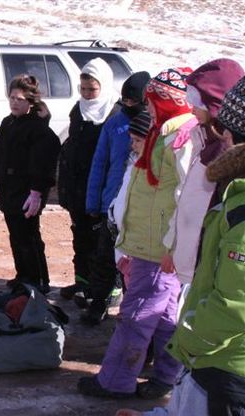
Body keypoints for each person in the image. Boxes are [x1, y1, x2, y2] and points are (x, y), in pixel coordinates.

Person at [116, 75, 245, 416]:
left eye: (231, 133)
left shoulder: (241, 208)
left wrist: (189, 343)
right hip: (217, 363)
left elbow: (235, 302)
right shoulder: (233, 189)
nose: (224, 137)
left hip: (228, 366)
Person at [78, 67, 196, 400]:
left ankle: (116, 380)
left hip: (157, 246)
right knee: (164, 316)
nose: (149, 108)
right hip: (155, 243)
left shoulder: (179, 137)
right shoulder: (164, 131)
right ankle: (166, 377)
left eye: (154, 101)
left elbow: (186, 195)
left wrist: (174, 244)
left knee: (137, 314)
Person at [81, 71, 151, 325]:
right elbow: (99, 163)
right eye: (126, 101)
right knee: (103, 257)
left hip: (140, 208)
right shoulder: (114, 123)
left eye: (134, 101)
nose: (129, 106)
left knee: (133, 264)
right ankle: (98, 302)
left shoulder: (152, 127)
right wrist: (94, 203)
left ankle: (132, 310)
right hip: (111, 203)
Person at [165, 59, 243, 287]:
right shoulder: (203, 139)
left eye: (197, 102)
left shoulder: (224, 152)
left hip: (210, 263)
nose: (191, 109)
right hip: (196, 259)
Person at [58, 57, 120, 302]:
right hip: (77, 189)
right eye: (83, 89)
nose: (87, 94)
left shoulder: (113, 114)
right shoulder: (78, 110)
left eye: (92, 89)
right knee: (81, 238)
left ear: (103, 86)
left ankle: (105, 290)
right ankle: (82, 282)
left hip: (100, 190)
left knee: (101, 244)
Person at [0, 74, 60, 294]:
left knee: (29, 236)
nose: (14, 102)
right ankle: (23, 275)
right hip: (8, 188)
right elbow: (0, 155)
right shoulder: (7, 123)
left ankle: (38, 279)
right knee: (15, 235)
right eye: (12, 97)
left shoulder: (37, 128)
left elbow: (43, 161)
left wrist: (37, 191)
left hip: (27, 191)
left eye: (20, 99)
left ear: (30, 102)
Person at [109, 111, 152, 289]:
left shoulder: (154, 169)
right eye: (131, 139)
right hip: (125, 237)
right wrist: (114, 210)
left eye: (137, 140)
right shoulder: (133, 162)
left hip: (142, 243)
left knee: (141, 290)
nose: (132, 145)